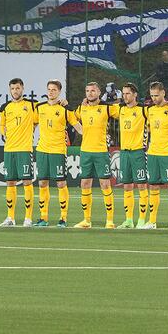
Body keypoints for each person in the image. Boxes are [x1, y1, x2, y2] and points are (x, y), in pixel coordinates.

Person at [34, 80, 80, 228]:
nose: (51, 92)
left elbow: (78, 127)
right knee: (42, 183)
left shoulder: (65, 109)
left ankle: (63, 218)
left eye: (54, 89)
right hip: (42, 150)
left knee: (61, 183)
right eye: (49, 89)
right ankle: (43, 218)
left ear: (59, 91)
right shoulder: (39, 107)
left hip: (58, 150)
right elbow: (33, 124)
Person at [73, 82, 120, 229]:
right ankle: (86, 220)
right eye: (87, 91)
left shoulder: (106, 107)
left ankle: (110, 220)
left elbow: (123, 112)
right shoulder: (82, 108)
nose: (90, 93)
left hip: (101, 152)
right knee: (85, 184)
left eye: (93, 91)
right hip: (85, 151)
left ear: (99, 92)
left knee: (105, 184)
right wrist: (80, 129)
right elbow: (70, 117)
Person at [144, 82, 168, 229]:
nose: (154, 98)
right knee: (153, 186)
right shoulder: (149, 110)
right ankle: (152, 221)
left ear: (163, 93)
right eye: (152, 95)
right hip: (153, 153)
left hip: (167, 153)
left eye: (156, 95)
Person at [0, 78, 37, 227]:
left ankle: (28, 218)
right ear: (10, 90)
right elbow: (2, 124)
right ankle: (10, 218)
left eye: (18, 88)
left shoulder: (31, 105)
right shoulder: (4, 107)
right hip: (9, 149)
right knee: (10, 182)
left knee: (27, 181)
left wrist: (34, 126)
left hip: (24, 149)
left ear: (23, 89)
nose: (15, 91)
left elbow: (43, 115)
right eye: (13, 88)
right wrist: (4, 131)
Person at [116, 83, 150, 229]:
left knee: (142, 185)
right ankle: (129, 219)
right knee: (127, 186)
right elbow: (102, 107)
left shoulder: (144, 110)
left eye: (128, 93)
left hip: (138, 152)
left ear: (135, 94)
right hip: (124, 153)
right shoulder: (120, 109)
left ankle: (142, 219)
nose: (125, 96)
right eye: (123, 94)